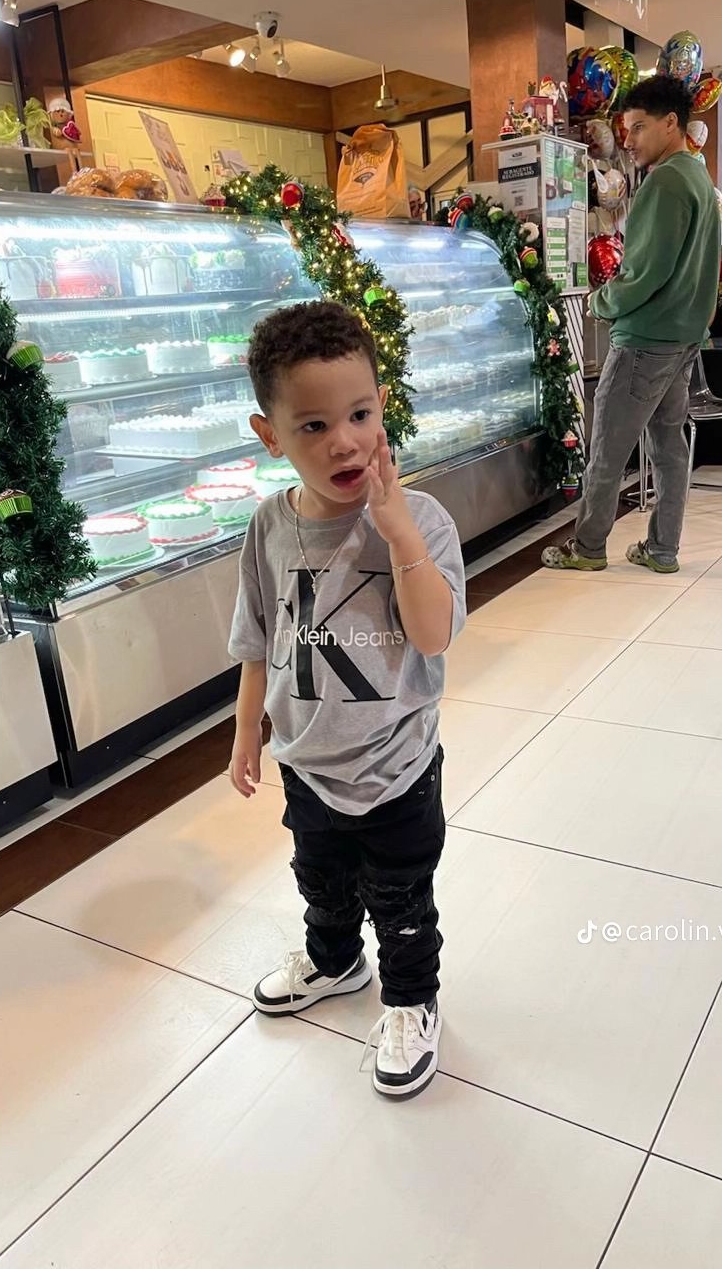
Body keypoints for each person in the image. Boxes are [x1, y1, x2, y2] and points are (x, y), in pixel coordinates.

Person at [228, 301, 465, 1100]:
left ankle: (411, 1000)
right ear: (270, 435)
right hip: (306, 763)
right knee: (320, 881)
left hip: (396, 768)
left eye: (360, 415)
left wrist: (398, 536)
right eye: (314, 425)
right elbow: (258, 639)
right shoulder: (269, 525)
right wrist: (247, 732)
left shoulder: (421, 520)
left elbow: (433, 635)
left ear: (382, 404)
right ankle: (334, 963)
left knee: (401, 900)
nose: (344, 441)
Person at [542, 75, 721, 575]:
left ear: (671, 124)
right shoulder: (697, 177)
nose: (630, 139)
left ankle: (588, 547)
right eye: (626, 129)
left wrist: (600, 302)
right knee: (669, 448)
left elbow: (644, 273)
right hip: (682, 339)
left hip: (645, 339)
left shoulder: (665, 183)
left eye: (639, 127)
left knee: (608, 447)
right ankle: (663, 549)